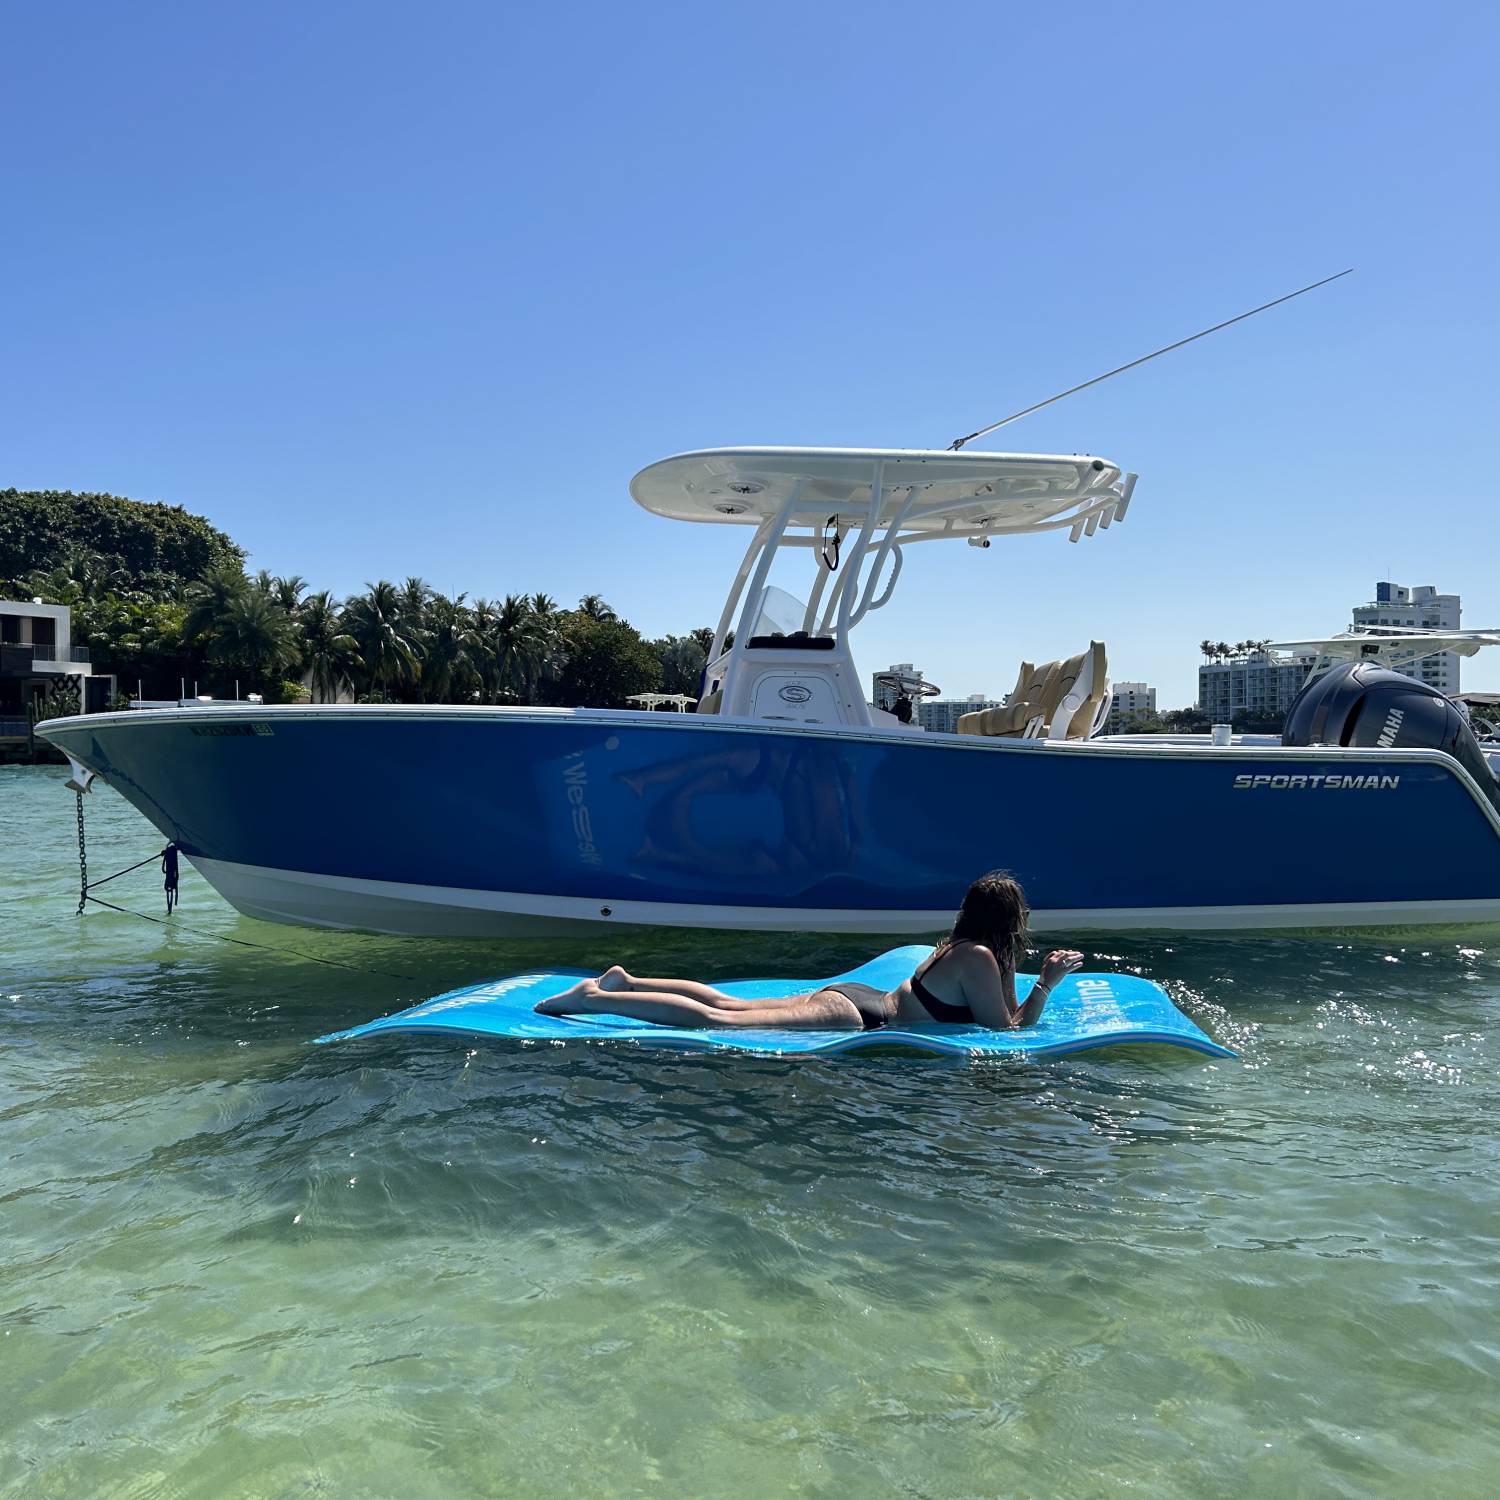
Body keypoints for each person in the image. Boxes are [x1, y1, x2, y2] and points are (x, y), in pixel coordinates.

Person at [534, 871, 1083, 1031]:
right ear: (1010, 923)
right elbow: (1004, 1030)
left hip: (858, 996)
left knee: (728, 1003)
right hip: (858, 1015)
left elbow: (998, 1010)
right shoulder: (980, 959)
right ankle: (593, 998)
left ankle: (626, 983)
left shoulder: (960, 947)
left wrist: (1020, 977)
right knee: (717, 1021)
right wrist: (1045, 984)